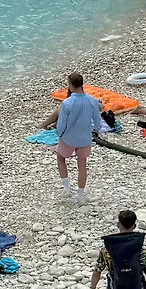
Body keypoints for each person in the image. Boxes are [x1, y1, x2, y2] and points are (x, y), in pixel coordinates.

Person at [53, 73, 104, 203]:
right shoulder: (91, 100)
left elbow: (62, 123)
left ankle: (66, 189)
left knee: (60, 158)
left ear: (70, 85)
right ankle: (80, 195)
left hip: (69, 137)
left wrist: (59, 133)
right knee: (82, 165)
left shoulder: (67, 103)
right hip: (84, 138)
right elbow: (97, 120)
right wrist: (96, 130)